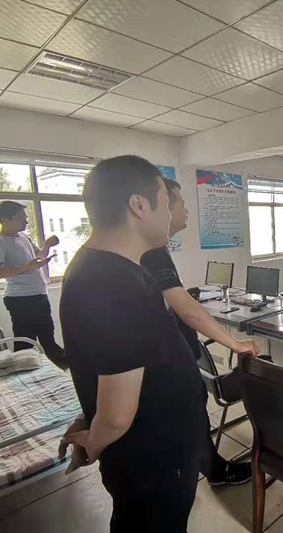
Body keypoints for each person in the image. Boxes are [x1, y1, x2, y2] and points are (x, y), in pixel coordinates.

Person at [59, 156, 205, 532]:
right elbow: (117, 416)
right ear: (139, 205)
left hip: (156, 449)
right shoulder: (110, 283)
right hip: (153, 457)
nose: (171, 213)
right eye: (166, 201)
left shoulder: (113, 269)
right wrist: (93, 439)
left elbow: (115, 364)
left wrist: (93, 417)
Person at [141, 177, 259, 485]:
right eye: (179, 203)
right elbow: (185, 307)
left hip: (179, 355)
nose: (186, 211)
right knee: (191, 414)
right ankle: (212, 471)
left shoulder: (153, 250)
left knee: (192, 415)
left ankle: (208, 467)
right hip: (171, 361)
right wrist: (235, 343)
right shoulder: (152, 250)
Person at [0, 201, 66, 369]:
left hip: (38, 294)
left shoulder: (23, 237)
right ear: (6, 219)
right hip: (20, 298)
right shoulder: (2, 241)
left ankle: (58, 371)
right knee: (26, 342)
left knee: (47, 335)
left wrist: (47, 245)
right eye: (22, 217)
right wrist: (27, 267)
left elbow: (38, 255)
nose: (26, 220)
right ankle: (27, 376)